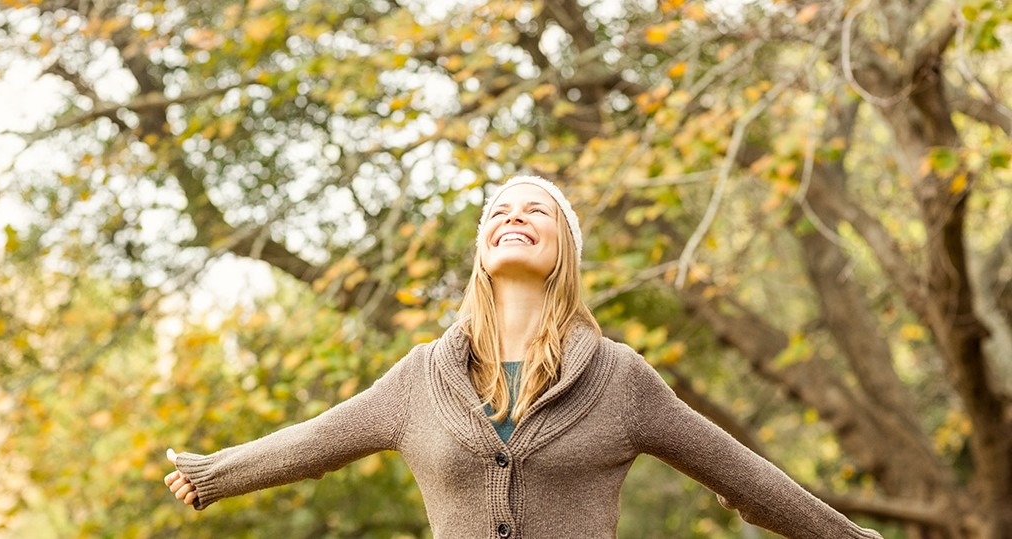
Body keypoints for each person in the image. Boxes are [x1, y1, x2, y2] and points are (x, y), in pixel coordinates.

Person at [164, 175, 884, 538]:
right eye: (500, 212)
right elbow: (315, 442)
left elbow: (742, 476)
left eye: (536, 209)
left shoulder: (621, 379)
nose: (514, 216)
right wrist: (212, 474)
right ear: (482, 249)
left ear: (564, 246)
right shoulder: (420, 379)